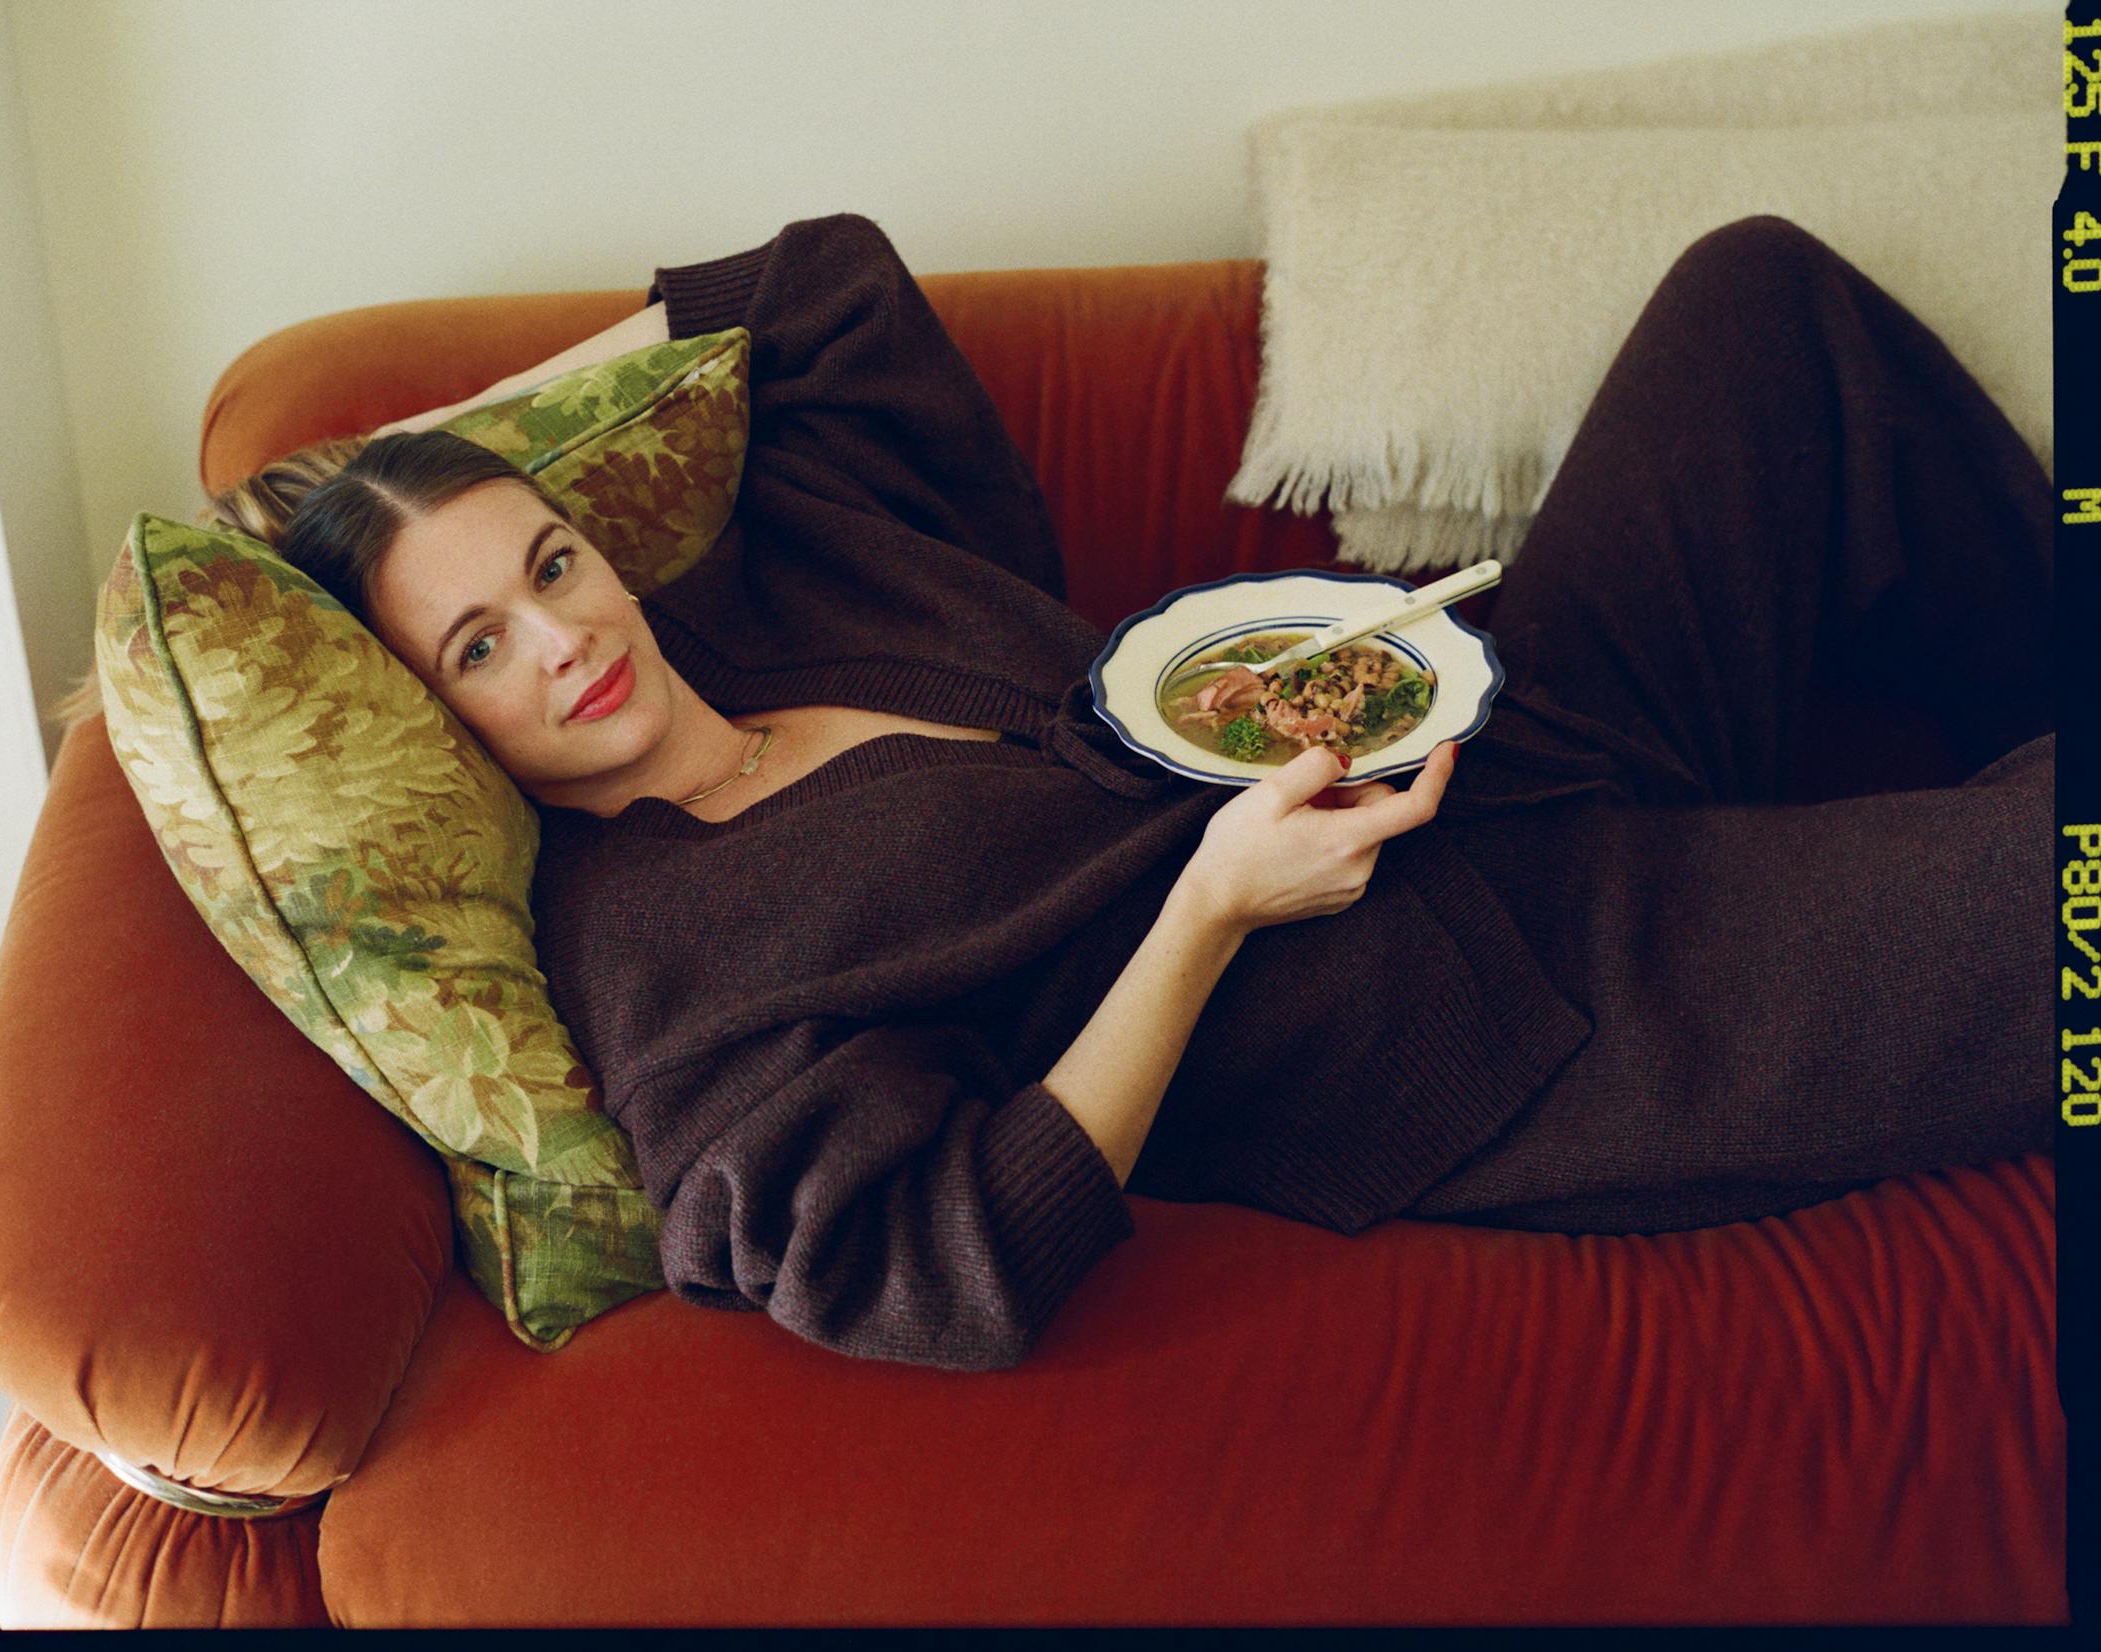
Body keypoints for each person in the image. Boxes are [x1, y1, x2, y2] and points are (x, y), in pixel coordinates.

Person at [132, 212, 2054, 1371]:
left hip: (1497, 731)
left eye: (552, 561)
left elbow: (818, 288)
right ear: (436, 722)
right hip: (1512, 1009)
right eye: (478, 648)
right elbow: (945, 1260)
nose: (564, 640)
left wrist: (406, 459)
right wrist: (1214, 905)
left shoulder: (776, 587)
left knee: (1763, 304)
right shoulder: (654, 956)